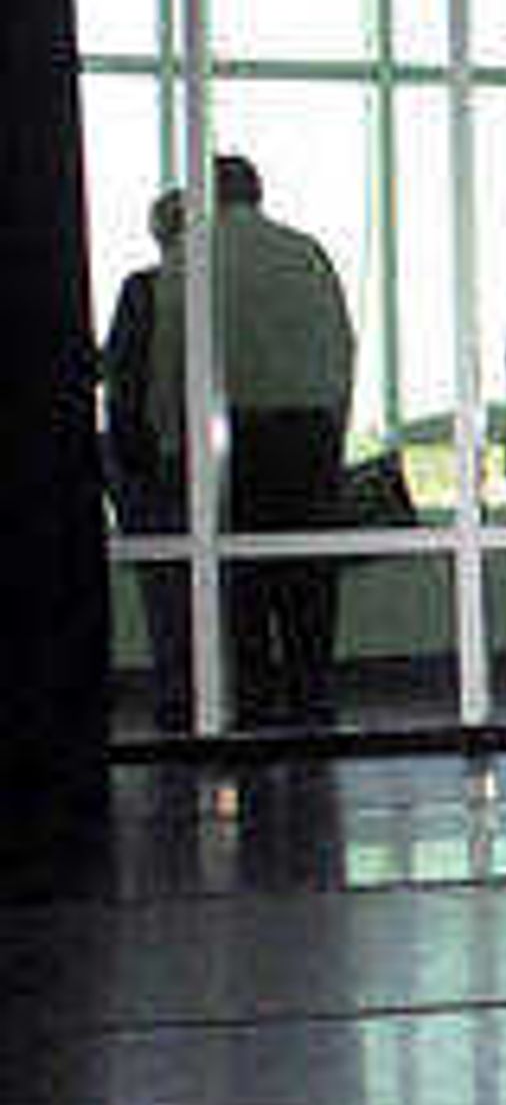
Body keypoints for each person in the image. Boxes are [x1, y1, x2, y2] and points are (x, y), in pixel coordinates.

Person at [149, 155, 357, 726]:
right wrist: (333, 433)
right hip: (307, 439)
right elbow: (342, 350)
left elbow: (171, 358)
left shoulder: (189, 257)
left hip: (230, 441)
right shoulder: (306, 252)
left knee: (240, 586)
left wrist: (169, 440)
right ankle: (313, 703)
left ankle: (253, 708)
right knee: (308, 587)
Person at [100, 189, 194, 728]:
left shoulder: (144, 289)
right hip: (200, 459)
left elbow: (123, 376)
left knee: (162, 585)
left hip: (148, 459)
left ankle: (177, 694)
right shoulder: (213, 294)